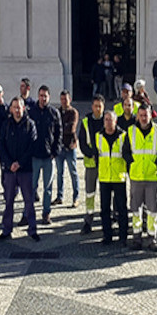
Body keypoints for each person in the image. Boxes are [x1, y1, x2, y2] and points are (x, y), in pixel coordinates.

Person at [122, 104, 157, 251]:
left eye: (146, 115)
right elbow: (125, 152)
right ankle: (137, 238)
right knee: (136, 210)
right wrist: (133, 163)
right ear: (138, 116)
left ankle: (151, 238)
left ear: (151, 116)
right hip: (136, 177)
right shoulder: (130, 131)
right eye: (141, 115)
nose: (143, 118)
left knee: (152, 210)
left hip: (151, 177)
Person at [0, 97, 39, 241]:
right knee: (8, 201)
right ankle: (6, 229)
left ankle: (32, 229)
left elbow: (32, 147)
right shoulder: (6, 125)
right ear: (11, 109)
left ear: (23, 108)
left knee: (29, 200)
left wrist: (19, 163)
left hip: (25, 169)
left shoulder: (30, 125)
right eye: (14, 107)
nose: (16, 110)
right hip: (9, 171)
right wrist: (9, 164)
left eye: (19, 107)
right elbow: (1, 146)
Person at [29, 85, 62, 224]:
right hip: (34, 156)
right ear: (38, 96)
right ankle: (29, 214)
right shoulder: (31, 112)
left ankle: (46, 213)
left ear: (49, 97)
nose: (43, 98)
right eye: (41, 95)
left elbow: (59, 134)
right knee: (31, 187)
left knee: (48, 188)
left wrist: (56, 152)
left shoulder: (54, 113)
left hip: (49, 157)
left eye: (45, 96)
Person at [96, 109, 129, 245]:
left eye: (111, 120)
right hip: (104, 177)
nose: (108, 123)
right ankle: (107, 235)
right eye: (106, 120)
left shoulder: (123, 136)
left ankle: (123, 236)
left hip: (118, 177)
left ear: (116, 121)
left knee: (121, 208)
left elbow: (127, 155)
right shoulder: (98, 136)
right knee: (104, 209)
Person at [78, 94, 106, 234]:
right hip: (91, 164)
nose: (98, 109)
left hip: (105, 163)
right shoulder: (85, 122)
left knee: (106, 193)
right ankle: (88, 220)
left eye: (100, 106)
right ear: (92, 107)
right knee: (90, 193)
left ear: (103, 107)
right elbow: (82, 142)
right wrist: (91, 154)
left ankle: (107, 218)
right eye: (95, 106)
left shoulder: (107, 120)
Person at [54, 89, 80, 207]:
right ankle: (59, 196)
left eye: (66, 99)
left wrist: (61, 128)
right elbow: (55, 128)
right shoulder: (57, 112)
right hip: (60, 147)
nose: (64, 101)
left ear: (70, 99)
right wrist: (62, 128)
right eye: (62, 99)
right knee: (59, 173)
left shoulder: (73, 112)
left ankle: (76, 197)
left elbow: (71, 129)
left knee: (73, 172)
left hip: (70, 146)